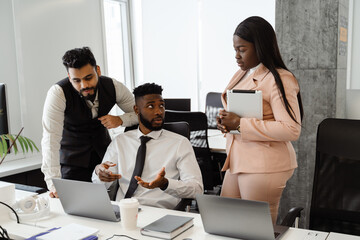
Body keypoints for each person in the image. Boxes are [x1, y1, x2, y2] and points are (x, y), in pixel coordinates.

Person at [217, 16, 304, 223]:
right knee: (225, 223)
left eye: (242, 49)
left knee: (254, 229)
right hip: (238, 160)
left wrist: (239, 123)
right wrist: (227, 122)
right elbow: (242, 113)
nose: (236, 56)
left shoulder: (280, 78)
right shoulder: (242, 73)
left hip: (264, 163)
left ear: (260, 46)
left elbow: (291, 129)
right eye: (235, 49)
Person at [41, 47, 138, 198]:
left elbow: (140, 113)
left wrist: (120, 120)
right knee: (76, 213)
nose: (84, 85)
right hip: (72, 163)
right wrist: (53, 184)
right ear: (69, 76)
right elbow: (50, 140)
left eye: (88, 77)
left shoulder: (113, 86)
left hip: (105, 161)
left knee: (109, 209)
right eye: (76, 80)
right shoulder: (58, 93)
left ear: (98, 70)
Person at [92, 83, 203, 209]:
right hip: (123, 211)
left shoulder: (180, 143)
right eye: (151, 106)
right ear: (136, 110)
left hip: (159, 213)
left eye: (161, 105)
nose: (159, 111)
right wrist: (99, 173)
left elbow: (197, 188)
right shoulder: (120, 141)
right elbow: (99, 183)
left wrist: (166, 184)